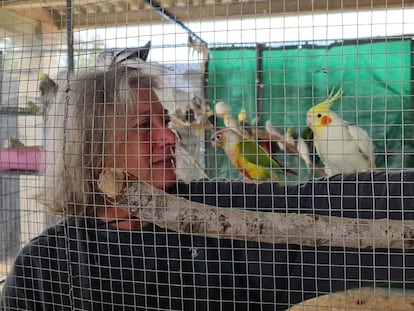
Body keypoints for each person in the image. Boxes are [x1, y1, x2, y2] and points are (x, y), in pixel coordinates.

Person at [1, 59, 414, 311]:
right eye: (146, 125)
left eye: (165, 122)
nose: (170, 137)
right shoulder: (46, 264)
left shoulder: (215, 207)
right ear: (90, 149)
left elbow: (316, 202)